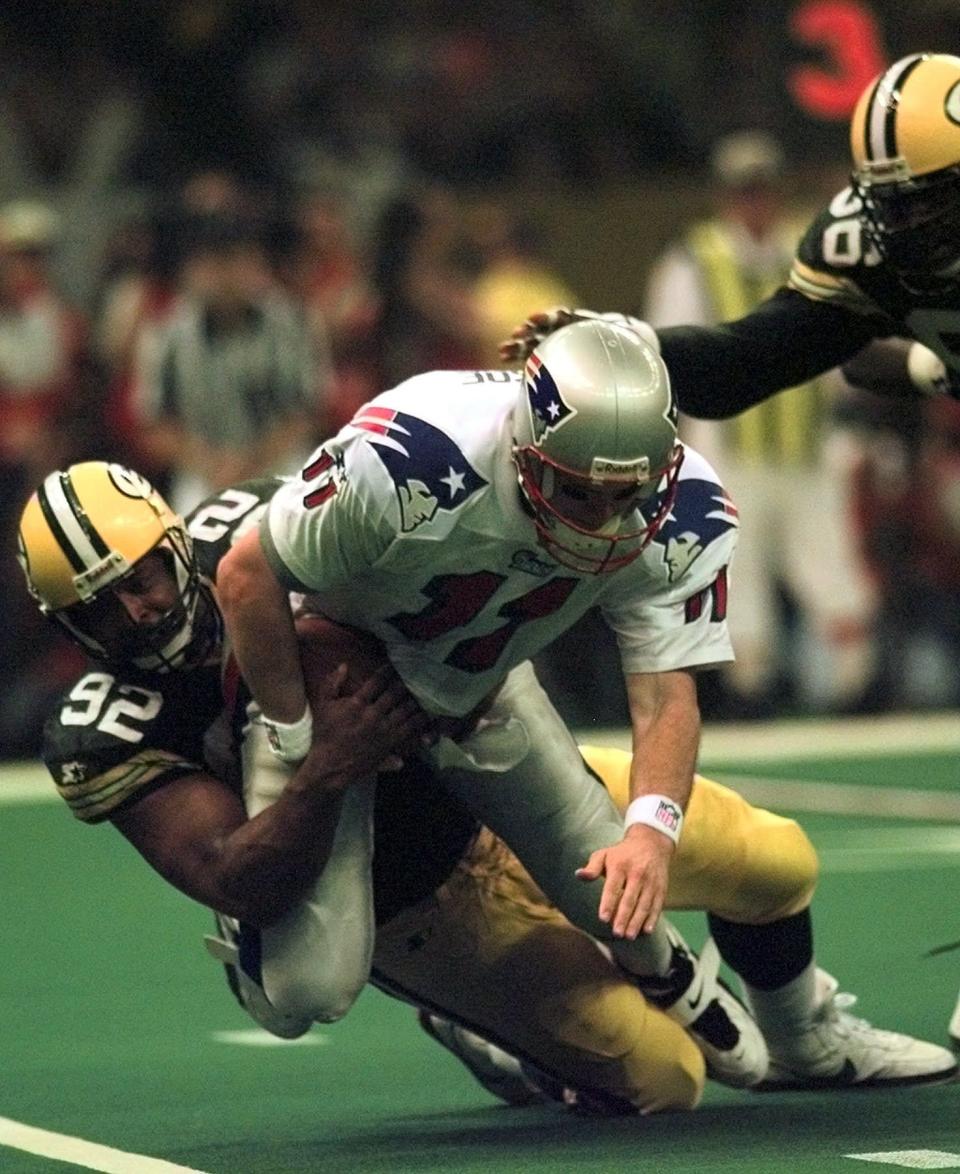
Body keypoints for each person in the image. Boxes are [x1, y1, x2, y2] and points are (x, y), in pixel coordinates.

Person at [18, 462, 955, 1107]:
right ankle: (485, 1032)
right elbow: (234, 875)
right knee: (665, 1078)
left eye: (138, 577)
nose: (135, 612)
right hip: (413, 906)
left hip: (491, 774)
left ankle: (809, 1039)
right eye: (97, 605)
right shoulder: (101, 727)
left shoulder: (264, 529)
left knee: (774, 858)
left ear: (176, 539)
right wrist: (329, 762)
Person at [213, 317, 954, 1089]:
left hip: (481, 683)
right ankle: (261, 925)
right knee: (305, 993)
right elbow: (244, 576)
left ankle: (679, 977)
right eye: (577, 490)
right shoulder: (413, 457)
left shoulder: (683, 509)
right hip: (348, 695)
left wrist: (652, 834)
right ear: (525, 452)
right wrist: (302, 737)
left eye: (624, 492)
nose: (601, 515)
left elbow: (667, 697)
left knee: (624, 882)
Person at [498, 53, 960, 1044]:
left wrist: (928, 365)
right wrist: (630, 349)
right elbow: (750, 364)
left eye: (929, 204)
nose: (903, 228)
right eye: (893, 206)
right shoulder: (859, 243)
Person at [645, 131, 876, 717]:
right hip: (729, 452)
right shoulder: (694, 258)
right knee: (738, 587)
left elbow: (840, 349)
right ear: (725, 196)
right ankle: (751, 700)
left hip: (807, 448)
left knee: (835, 578)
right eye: (744, 191)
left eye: (763, 190)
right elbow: (670, 351)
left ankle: (853, 699)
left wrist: (847, 431)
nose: (755, 203)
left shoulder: (809, 247)